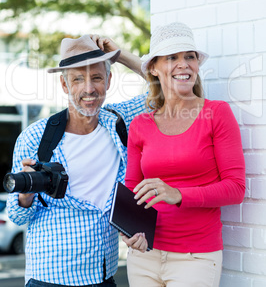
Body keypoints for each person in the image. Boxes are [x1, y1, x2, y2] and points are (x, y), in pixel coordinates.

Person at [7, 34, 146, 287]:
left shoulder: (119, 122)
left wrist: (120, 55)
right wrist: (25, 196)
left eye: (96, 77)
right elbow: (16, 216)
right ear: (64, 85)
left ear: (109, 79)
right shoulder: (36, 138)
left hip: (103, 277)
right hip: (48, 279)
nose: (89, 89)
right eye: (78, 79)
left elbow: (163, 89)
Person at [122, 22, 246, 287]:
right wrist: (130, 230)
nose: (183, 64)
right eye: (172, 58)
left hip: (195, 258)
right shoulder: (140, 125)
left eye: (189, 56)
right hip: (144, 256)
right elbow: (133, 188)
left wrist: (178, 194)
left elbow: (235, 189)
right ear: (154, 68)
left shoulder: (216, 113)